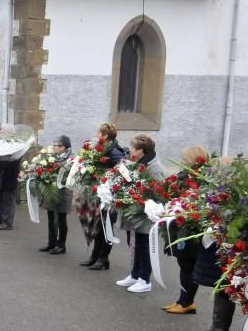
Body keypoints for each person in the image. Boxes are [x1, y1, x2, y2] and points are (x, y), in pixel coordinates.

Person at [114, 133, 167, 293]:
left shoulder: (154, 167)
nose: (130, 151)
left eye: (132, 148)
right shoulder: (137, 163)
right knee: (133, 244)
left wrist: (138, 195)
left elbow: (159, 192)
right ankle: (135, 274)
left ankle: (145, 279)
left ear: (141, 150)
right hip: (135, 211)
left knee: (144, 246)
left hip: (146, 214)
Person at [161, 145, 210, 314]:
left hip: (192, 228)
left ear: (193, 160)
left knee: (188, 265)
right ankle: (182, 300)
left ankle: (187, 302)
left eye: (184, 159)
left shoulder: (203, 178)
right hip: (182, 224)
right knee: (184, 265)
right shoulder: (185, 176)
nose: (181, 162)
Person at [79, 122, 126, 271]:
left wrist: (105, 179)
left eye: (98, 133)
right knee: (98, 225)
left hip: (108, 196)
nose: (96, 135)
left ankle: (103, 258)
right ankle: (95, 256)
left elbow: (122, 172)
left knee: (107, 228)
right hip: (98, 193)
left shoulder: (115, 152)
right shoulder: (99, 149)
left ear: (105, 136)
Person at [39, 135, 74, 254]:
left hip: (64, 191)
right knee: (50, 218)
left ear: (63, 147)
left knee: (61, 219)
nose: (53, 147)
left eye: (56, 145)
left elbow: (69, 175)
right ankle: (51, 243)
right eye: (53, 145)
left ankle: (61, 245)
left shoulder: (71, 158)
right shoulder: (51, 156)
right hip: (51, 189)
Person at [0, 124, 22, 231]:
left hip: (10, 175)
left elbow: (13, 159)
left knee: (8, 200)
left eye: (3, 131)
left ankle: (7, 222)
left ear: (10, 133)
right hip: (1, 173)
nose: (1, 133)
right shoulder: (3, 142)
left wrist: (0, 157)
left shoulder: (16, 144)